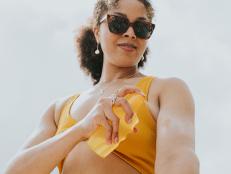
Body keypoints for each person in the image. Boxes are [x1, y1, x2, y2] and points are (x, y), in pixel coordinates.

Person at [4, 0, 199, 174]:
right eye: (118, 22)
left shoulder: (167, 90)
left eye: (141, 28)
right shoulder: (58, 110)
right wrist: (82, 129)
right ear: (97, 32)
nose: (130, 33)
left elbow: (178, 159)